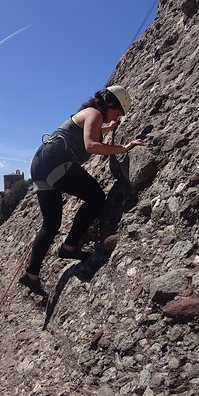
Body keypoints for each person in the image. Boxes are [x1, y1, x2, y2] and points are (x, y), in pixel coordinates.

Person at [19, 85, 147, 297]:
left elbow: (92, 133)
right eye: (118, 112)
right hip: (56, 163)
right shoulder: (95, 113)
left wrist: (110, 129)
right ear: (111, 104)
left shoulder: (90, 114)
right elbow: (91, 145)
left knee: (51, 225)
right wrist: (124, 148)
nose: (117, 117)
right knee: (96, 197)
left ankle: (32, 274)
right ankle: (69, 247)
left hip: (41, 164)